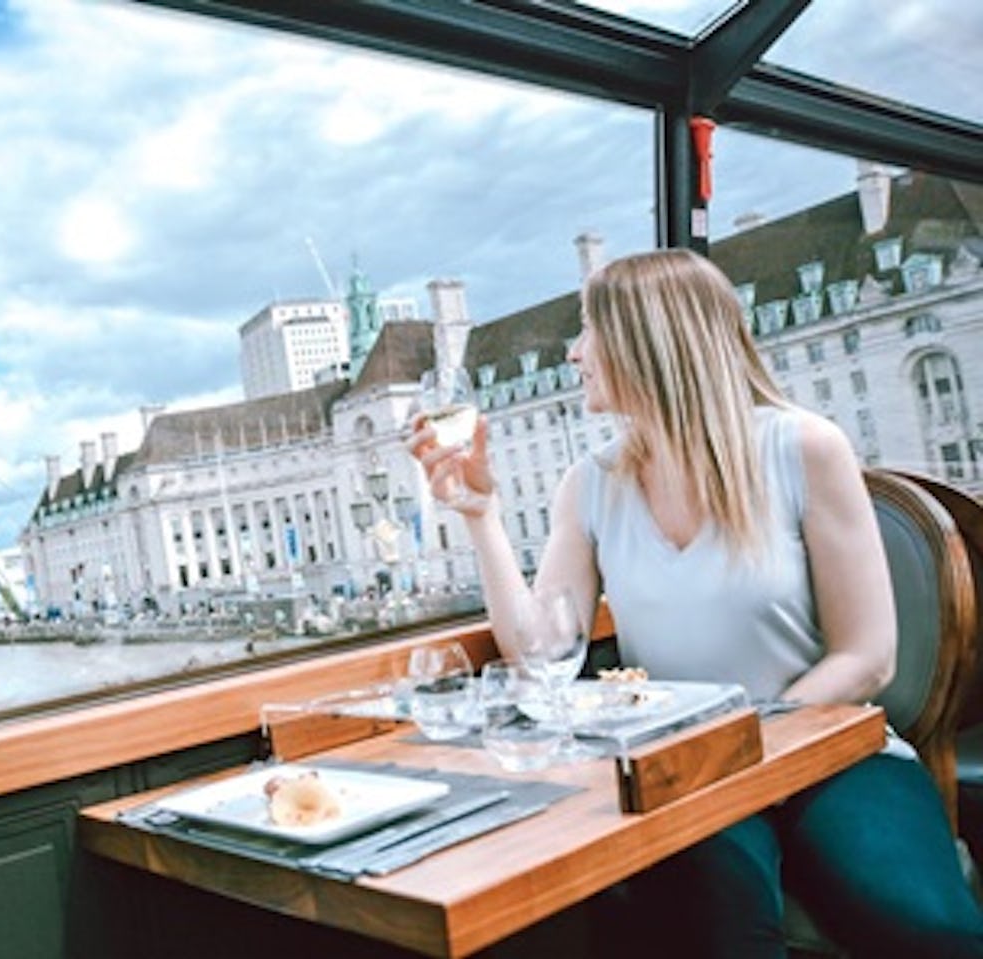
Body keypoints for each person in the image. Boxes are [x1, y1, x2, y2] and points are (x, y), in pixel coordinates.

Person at [407, 248, 983, 958]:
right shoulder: (589, 484)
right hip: (682, 776)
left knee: (930, 932)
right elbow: (541, 656)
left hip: (827, 752)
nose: (575, 351)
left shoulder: (805, 447)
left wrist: (744, 749)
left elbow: (867, 657)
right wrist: (480, 516)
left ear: (650, 341)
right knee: (719, 935)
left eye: (590, 328)